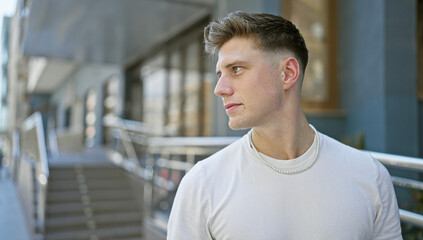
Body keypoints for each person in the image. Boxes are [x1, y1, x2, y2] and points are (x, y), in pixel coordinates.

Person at [167, 11, 402, 239]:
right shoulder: (203, 185)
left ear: (288, 73)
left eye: (236, 69)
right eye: (220, 74)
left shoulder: (370, 176)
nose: (220, 89)